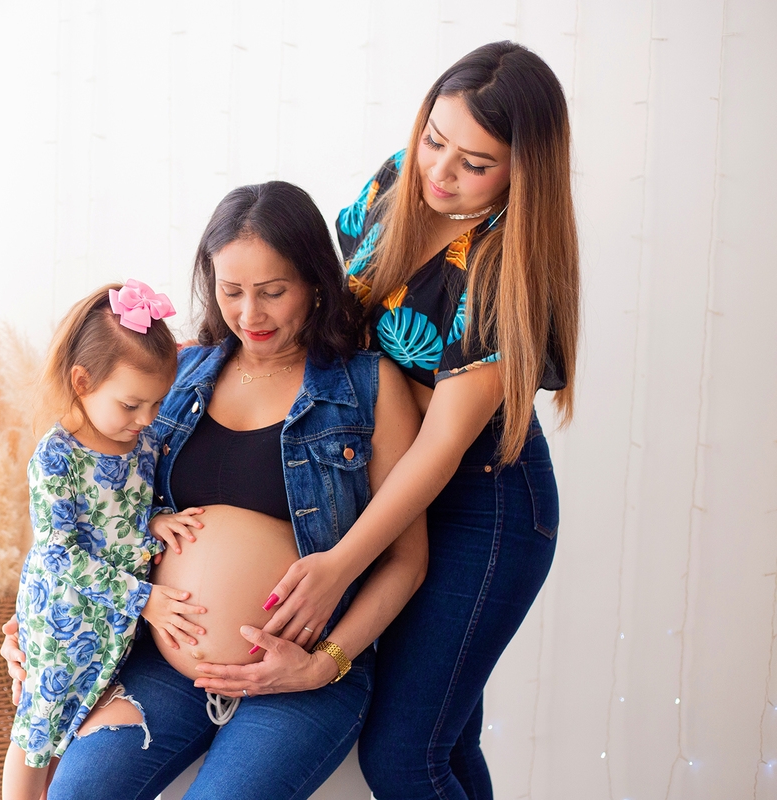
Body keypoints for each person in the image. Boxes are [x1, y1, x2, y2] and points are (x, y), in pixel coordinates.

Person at [3, 180, 429, 800]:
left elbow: (406, 561)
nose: (250, 315)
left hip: (298, 679)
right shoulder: (176, 372)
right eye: (232, 292)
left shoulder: (368, 388)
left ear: (314, 281)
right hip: (160, 667)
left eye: (273, 292)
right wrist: (40, 625)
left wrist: (324, 662)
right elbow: (92, 512)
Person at [256, 41, 578, 799]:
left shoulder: (504, 270)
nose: (439, 171)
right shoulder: (398, 183)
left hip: (482, 507)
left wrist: (339, 565)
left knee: (404, 756)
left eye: (475, 162)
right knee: (447, 743)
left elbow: (438, 450)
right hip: (391, 478)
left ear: (522, 173)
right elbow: (329, 308)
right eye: (436, 138)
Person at [1, 280, 209, 800]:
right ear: (82, 381)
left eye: (157, 403)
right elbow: (60, 553)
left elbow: (128, 513)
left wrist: (156, 520)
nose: (146, 419)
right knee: (39, 731)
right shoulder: (57, 458)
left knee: (77, 733)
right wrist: (146, 599)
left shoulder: (140, 441)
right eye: (131, 404)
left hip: (115, 622)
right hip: (65, 615)